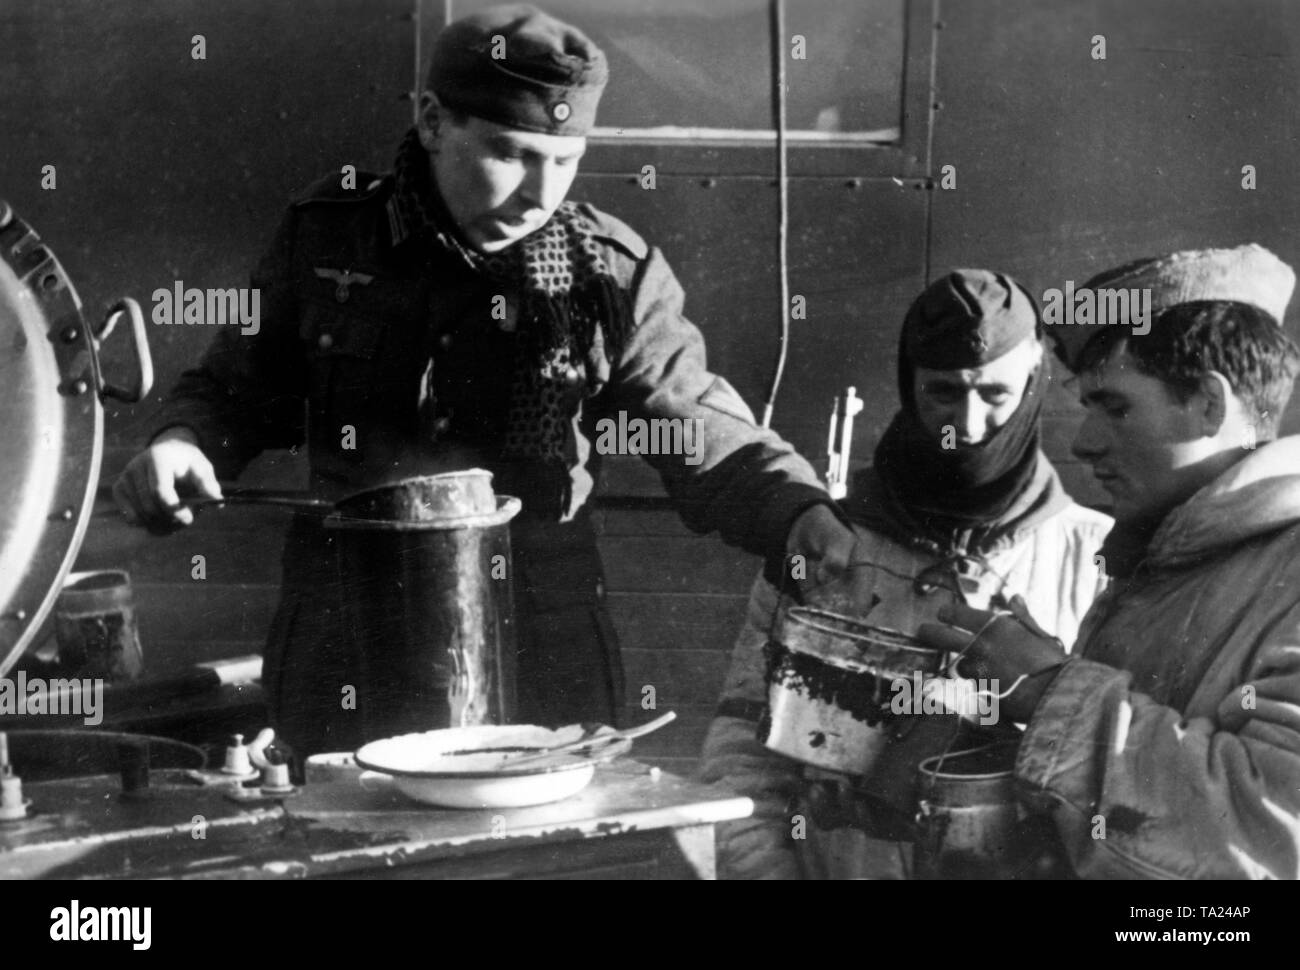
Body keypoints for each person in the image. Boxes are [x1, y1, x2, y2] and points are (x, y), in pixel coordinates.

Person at [112, 4, 862, 756]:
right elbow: (233, 389)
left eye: (565, 161)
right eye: (512, 154)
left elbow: (693, 423)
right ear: (433, 122)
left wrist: (795, 510)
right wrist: (182, 441)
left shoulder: (606, 275)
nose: (541, 193)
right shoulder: (329, 240)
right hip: (349, 640)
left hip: (541, 647)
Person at [698, 269, 1112, 879]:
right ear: (908, 382)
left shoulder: (1096, 558)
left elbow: (1117, 787)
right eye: (943, 393)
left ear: (1032, 383)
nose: (968, 423)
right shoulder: (825, 547)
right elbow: (742, 761)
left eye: (995, 394)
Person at [918, 243, 1300, 879]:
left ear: (1210, 403)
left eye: (1116, 408)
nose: (1083, 443)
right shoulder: (1169, 553)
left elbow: (1271, 832)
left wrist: (1050, 692)